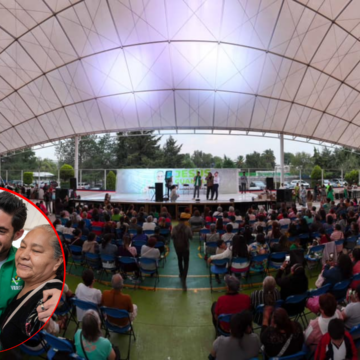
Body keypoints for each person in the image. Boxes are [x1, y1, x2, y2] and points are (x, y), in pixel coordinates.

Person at [0, 192, 60, 333]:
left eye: (1, 231)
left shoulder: (23, 265)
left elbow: (47, 281)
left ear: (18, 234)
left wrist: (60, 290)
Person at [0, 224, 64, 350]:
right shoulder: (26, 281)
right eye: (22, 246)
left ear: (57, 262)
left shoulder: (47, 298)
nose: (23, 255)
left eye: (36, 251)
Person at [171, 217, 193, 291]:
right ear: (184, 222)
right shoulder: (187, 228)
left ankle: (181, 273)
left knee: (179, 260)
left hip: (177, 248)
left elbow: (172, 237)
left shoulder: (174, 228)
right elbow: (191, 237)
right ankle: (184, 279)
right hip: (185, 248)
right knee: (186, 263)